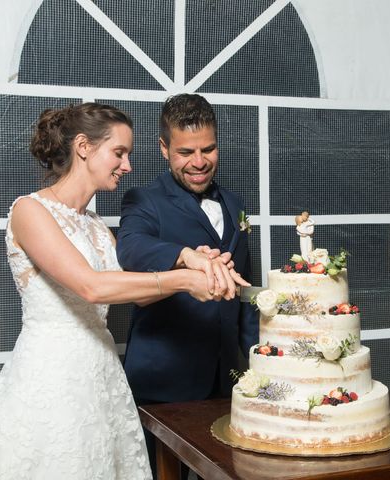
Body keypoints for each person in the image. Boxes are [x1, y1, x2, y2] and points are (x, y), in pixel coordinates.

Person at [0, 103, 246, 480]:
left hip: (101, 378)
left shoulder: (96, 226)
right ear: (83, 146)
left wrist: (191, 263)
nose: (127, 165)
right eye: (119, 153)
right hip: (52, 379)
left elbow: (137, 294)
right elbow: (92, 287)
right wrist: (182, 279)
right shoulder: (30, 211)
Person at [116, 93, 259, 478]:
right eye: (185, 152)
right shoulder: (144, 200)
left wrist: (260, 362)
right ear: (163, 148)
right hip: (164, 382)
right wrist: (185, 255)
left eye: (208, 149)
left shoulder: (234, 202)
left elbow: (244, 293)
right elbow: (131, 249)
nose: (199, 162)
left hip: (229, 380)